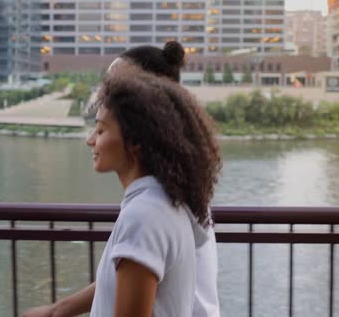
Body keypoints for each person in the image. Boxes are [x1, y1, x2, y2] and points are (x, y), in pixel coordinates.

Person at [23, 44, 221, 317]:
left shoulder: (146, 215)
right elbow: (127, 276)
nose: (90, 139)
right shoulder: (168, 199)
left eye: (102, 129)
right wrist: (59, 310)